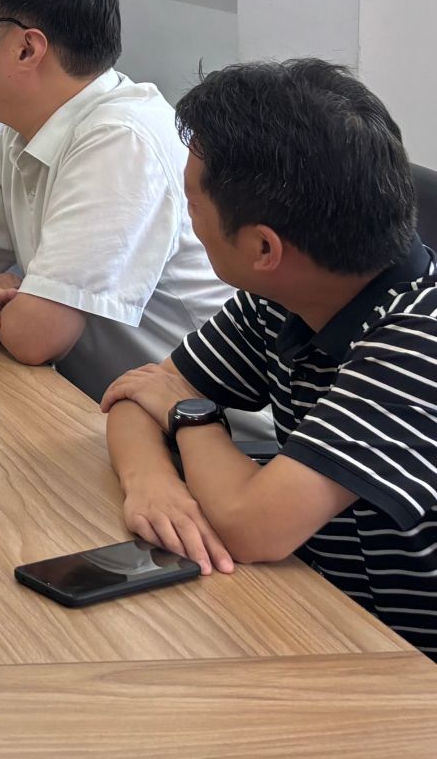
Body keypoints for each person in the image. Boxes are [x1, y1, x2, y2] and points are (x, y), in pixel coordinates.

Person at [98, 60, 437, 659]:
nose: (190, 220)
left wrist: (191, 414)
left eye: (193, 206)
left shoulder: (418, 339)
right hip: (321, 613)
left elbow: (254, 527)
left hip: (405, 665)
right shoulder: (285, 296)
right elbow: (137, 393)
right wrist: (150, 484)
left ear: (263, 247)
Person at [0, 0, 231, 402]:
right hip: (89, 402)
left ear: (26, 49)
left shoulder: (122, 141)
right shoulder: (25, 126)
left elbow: (37, 336)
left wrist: (6, 297)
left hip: (200, 427)